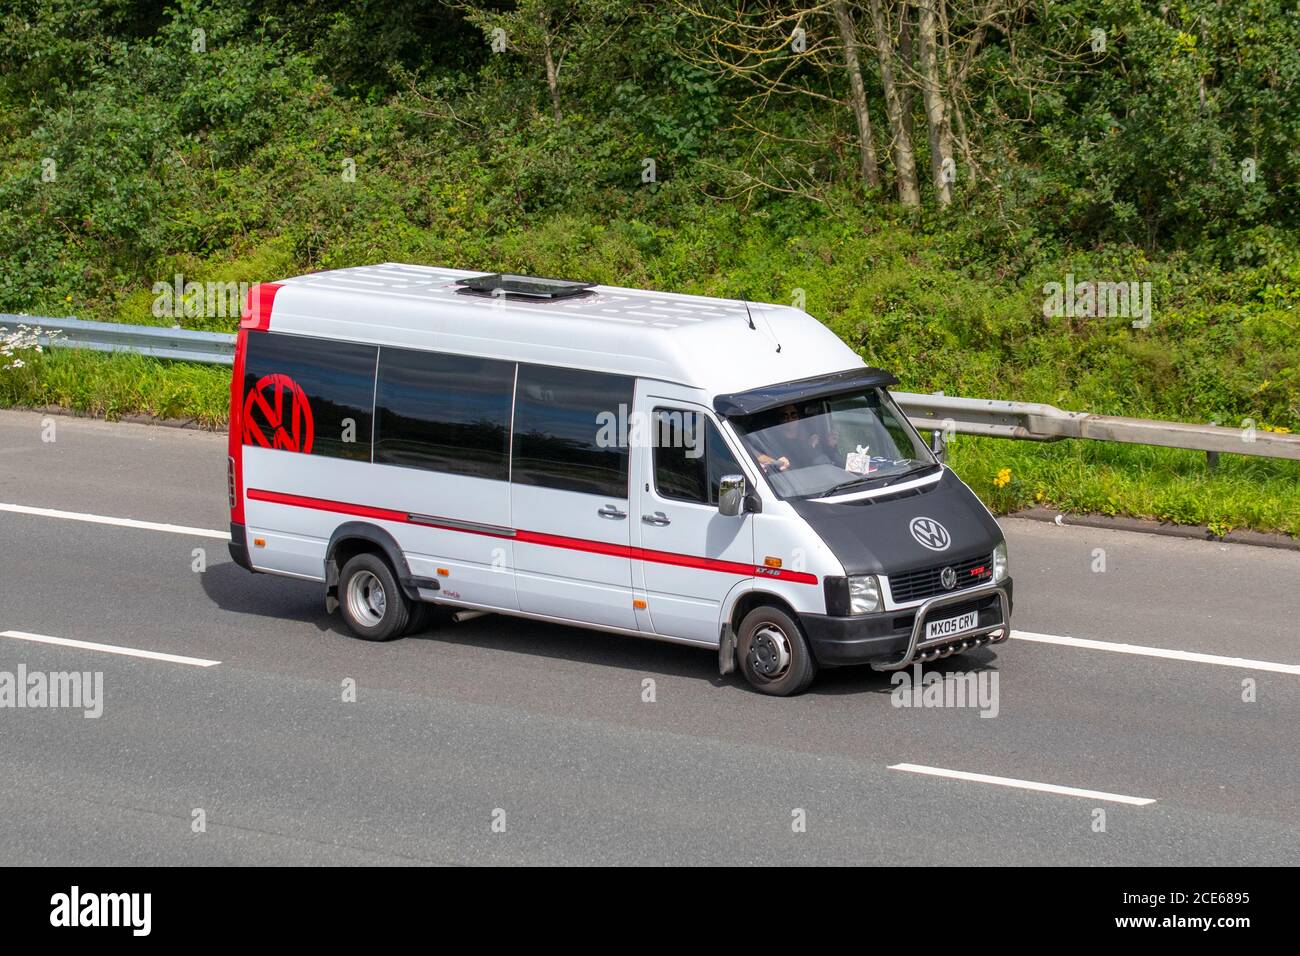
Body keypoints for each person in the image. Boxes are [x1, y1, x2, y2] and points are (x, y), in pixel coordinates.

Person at [756, 404, 837, 473]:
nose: (790, 419)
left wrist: (830, 446)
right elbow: (758, 456)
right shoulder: (774, 443)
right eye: (784, 416)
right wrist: (775, 462)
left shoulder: (809, 438)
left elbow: (826, 460)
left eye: (793, 415)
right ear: (778, 419)